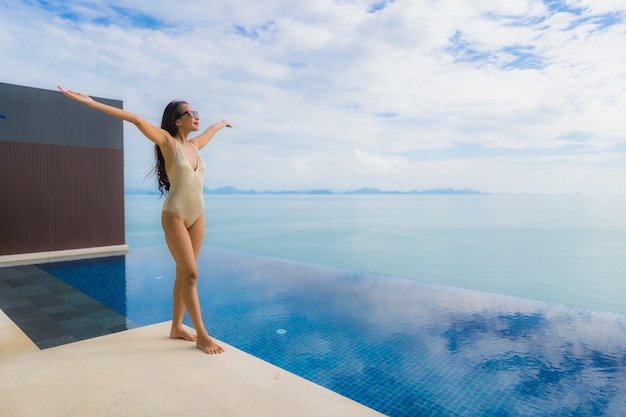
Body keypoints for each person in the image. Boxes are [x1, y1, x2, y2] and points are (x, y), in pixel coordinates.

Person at [58, 86, 231, 354]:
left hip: (198, 216)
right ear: (177, 120)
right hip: (174, 215)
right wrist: (90, 103)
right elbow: (137, 119)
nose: (196, 116)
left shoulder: (195, 146)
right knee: (192, 273)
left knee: (184, 273)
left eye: (197, 112)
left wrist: (220, 124)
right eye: (191, 113)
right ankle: (202, 335)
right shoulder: (167, 142)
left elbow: (210, 130)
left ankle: (176, 327)